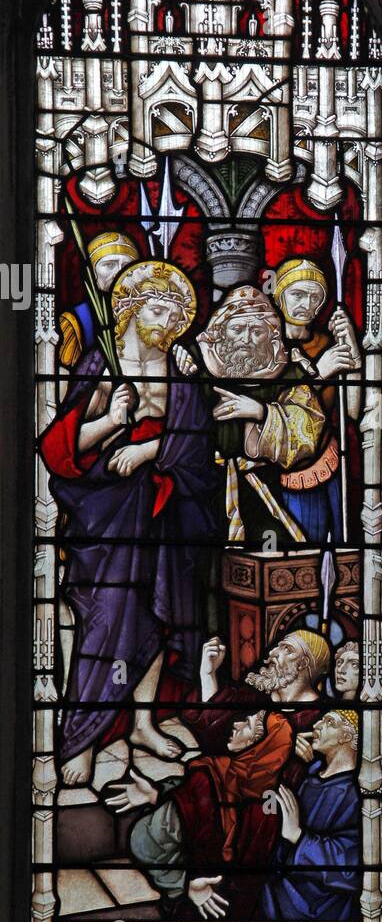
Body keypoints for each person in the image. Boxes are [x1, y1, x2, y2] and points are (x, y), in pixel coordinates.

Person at [40, 260, 216, 785]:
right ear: (130, 311)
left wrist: (149, 450)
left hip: (168, 515)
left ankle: (142, 723)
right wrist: (112, 421)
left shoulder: (183, 378)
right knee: (109, 614)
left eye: (175, 310)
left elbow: (200, 446)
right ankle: (82, 734)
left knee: (158, 618)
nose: (167, 317)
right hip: (107, 519)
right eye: (156, 307)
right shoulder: (101, 365)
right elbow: (57, 450)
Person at [110, 708, 295, 922]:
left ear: (257, 748)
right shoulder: (276, 801)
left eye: (248, 725)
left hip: (197, 916)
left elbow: (144, 842)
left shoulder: (207, 780)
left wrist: (179, 883)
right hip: (247, 915)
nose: (236, 724)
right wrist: (157, 795)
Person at [186, 285, 327, 546]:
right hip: (199, 492)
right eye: (237, 329)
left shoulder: (288, 373)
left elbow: (308, 431)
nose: (246, 339)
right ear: (221, 332)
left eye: (256, 331)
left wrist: (262, 412)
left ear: (271, 336)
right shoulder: (195, 365)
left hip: (263, 494)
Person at [271, 258, 362, 541]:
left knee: (336, 542)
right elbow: (276, 412)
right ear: (280, 296)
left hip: (330, 461)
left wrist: (353, 353)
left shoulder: (326, 345)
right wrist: (320, 373)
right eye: (297, 294)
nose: (306, 304)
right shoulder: (266, 346)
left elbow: (353, 410)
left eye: (314, 296)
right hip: (285, 471)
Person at [180, 632, 329, 789]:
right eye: (278, 646)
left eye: (287, 648)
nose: (272, 653)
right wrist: (208, 674)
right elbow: (210, 728)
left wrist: (309, 762)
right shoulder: (251, 695)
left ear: (303, 663)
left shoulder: (324, 719)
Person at [262, 709, 362, 922]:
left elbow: (352, 865)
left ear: (346, 737)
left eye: (328, 722)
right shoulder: (309, 779)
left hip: (326, 911)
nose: (316, 725)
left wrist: (298, 836)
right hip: (278, 895)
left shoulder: (356, 792)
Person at [58, 231, 141, 368]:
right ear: (92, 272)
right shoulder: (76, 322)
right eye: (109, 265)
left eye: (127, 266)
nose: (119, 272)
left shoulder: (150, 317)